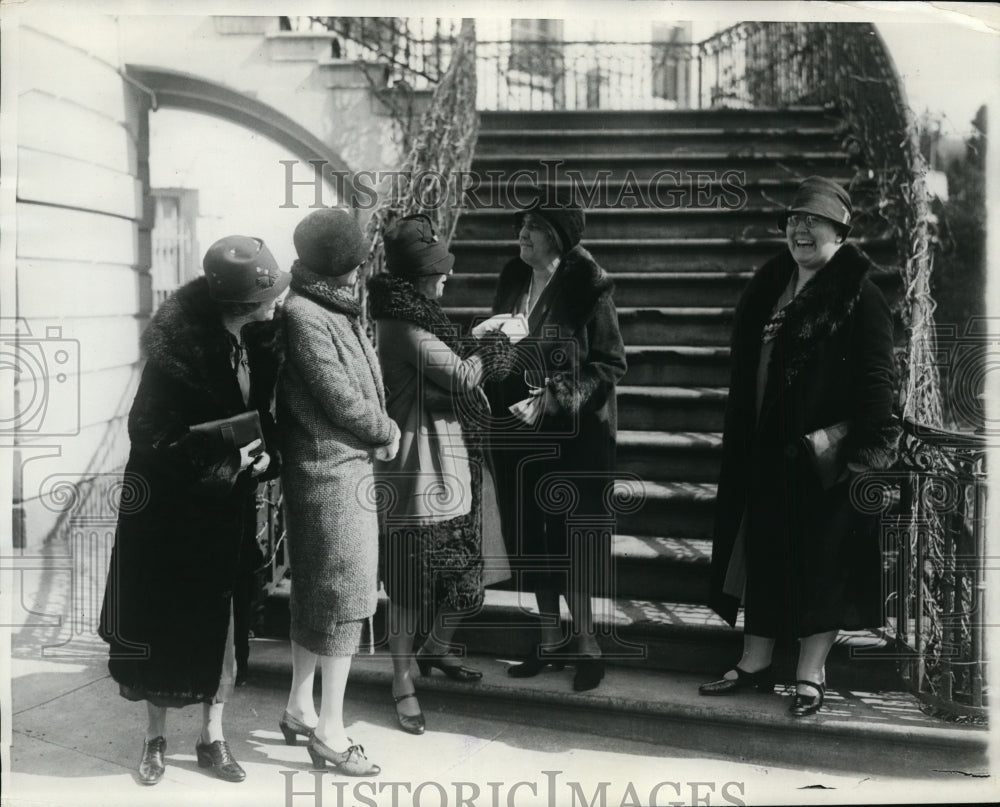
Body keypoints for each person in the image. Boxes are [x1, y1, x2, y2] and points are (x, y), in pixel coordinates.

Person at [701, 176, 900, 716]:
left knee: (823, 566)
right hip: (764, 452)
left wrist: (861, 460)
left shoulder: (862, 297)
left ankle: (812, 673)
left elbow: (878, 385)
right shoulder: (770, 288)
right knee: (762, 553)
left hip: (824, 460)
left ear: (840, 232)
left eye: (813, 221)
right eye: (793, 221)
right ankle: (755, 660)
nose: (800, 229)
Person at [99, 235, 287, 785]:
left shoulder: (257, 343)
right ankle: (154, 739)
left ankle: (213, 738)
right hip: (171, 518)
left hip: (226, 512)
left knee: (224, 631)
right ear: (237, 304)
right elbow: (148, 431)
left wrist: (264, 458)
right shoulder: (176, 352)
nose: (276, 303)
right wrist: (222, 453)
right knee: (163, 630)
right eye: (267, 294)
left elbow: (263, 420)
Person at [367, 214, 510, 735]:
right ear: (416, 278)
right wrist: (495, 347)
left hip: (449, 463)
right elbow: (464, 376)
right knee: (408, 584)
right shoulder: (401, 324)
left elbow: (453, 381)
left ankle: (436, 648)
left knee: (464, 573)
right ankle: (402, 680)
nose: (447, 277)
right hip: (416, 471)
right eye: (439, 270)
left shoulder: (421, 315)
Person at [486, 185, 627, 692]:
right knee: (532, 535)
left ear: (558, 236)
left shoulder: (589, 284)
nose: (522, 233)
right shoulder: (512, 278)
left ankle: (586, 641)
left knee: (575, 537)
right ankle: (548, 638)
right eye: (521, 223)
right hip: (520, 431)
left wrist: (557, 396)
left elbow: (610, 363)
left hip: (577, 434)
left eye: (534, 226)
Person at [278, 208, 399, 776]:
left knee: (321, 596)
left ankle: (300, 707)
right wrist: (387, 430)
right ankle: (330, 730)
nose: (360, 272)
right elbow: (340, 397)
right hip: (331, 474)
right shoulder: (307, 314)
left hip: (335, 469)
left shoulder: (323, 304)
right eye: (353, 263)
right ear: (335, 267)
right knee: (346, 603)